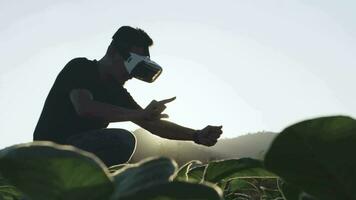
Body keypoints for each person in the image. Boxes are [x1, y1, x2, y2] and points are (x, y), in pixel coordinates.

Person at [33, 26, 223, 166]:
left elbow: (153, 125)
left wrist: (196, 135)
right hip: (47, 154)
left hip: (77, 156)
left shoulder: (117, 92)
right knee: (122, 140)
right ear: (113, 52)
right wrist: (137, 115)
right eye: (132, 65)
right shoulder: (81, 67)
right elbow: (85, 107)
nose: (131, 75)